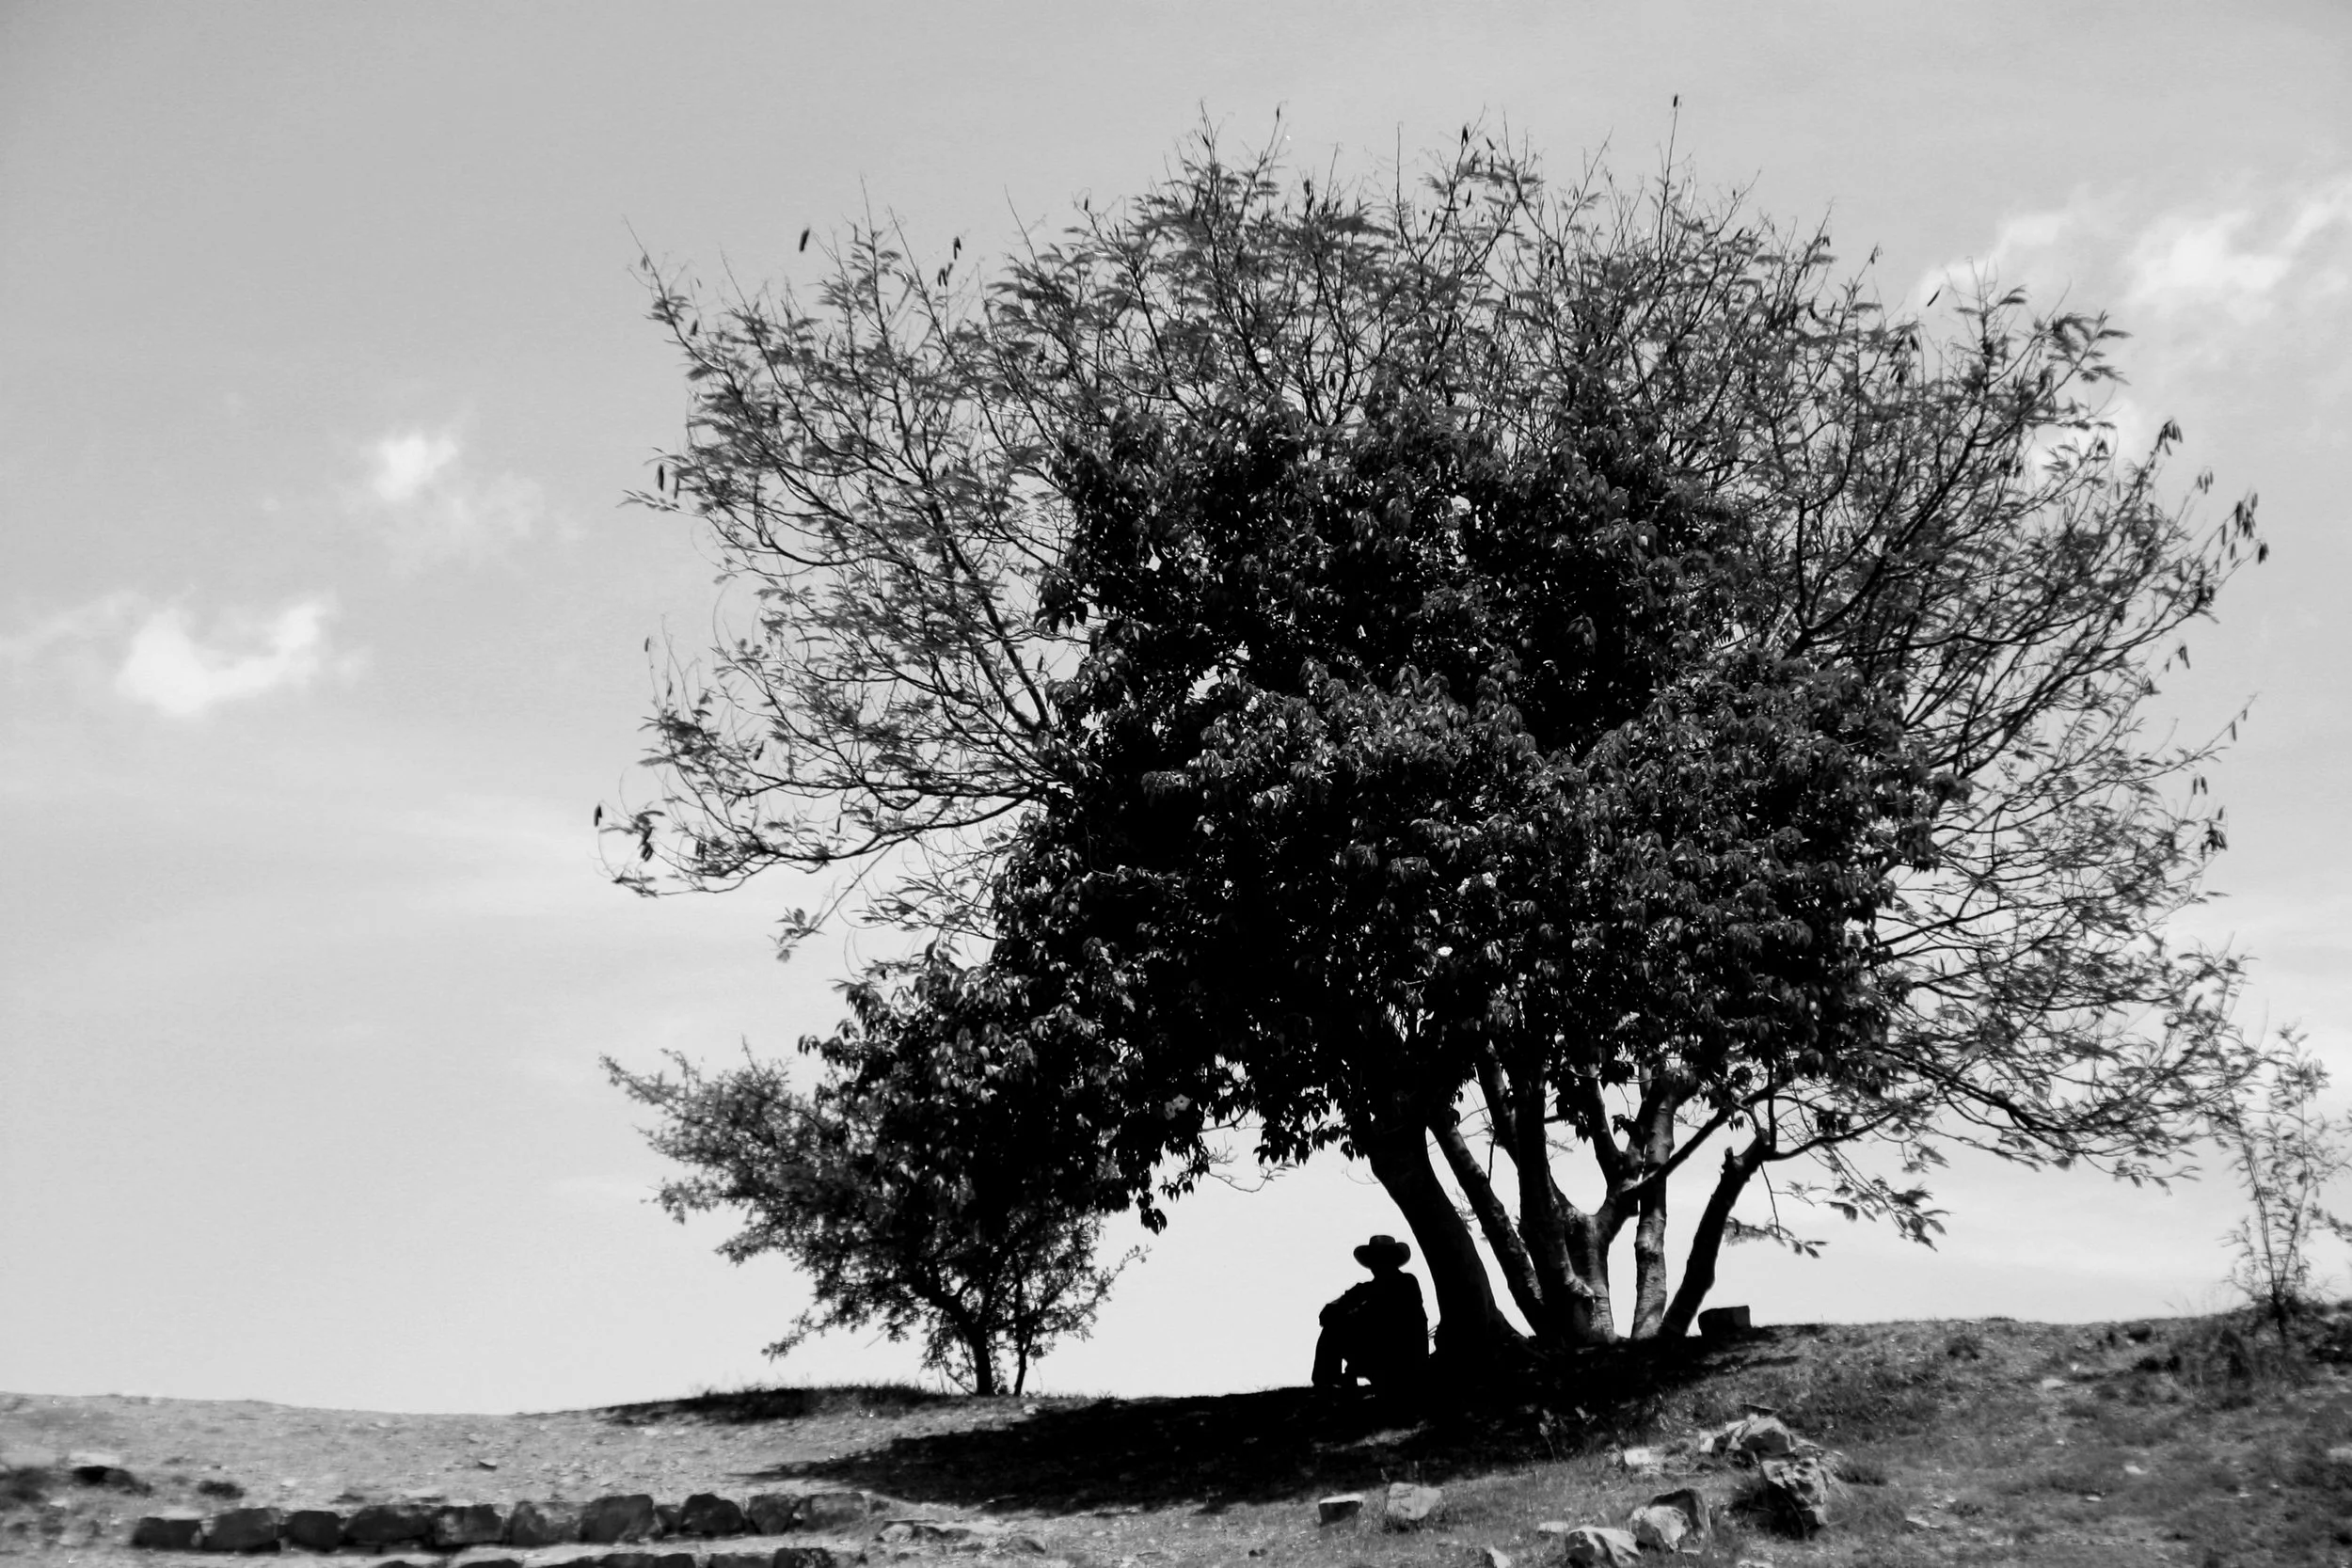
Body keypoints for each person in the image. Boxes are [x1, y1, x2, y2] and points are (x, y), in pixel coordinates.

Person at [1311, 1233, 1429, 1393]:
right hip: (1374, 1353)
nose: (1377, 1264)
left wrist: (1353, 1314)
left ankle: (1335, 1383)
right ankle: (1329, 1384)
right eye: (1375, 1259)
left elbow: (1387, 1316)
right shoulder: (1363, 1289)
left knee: (1341, 1327)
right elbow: (1327, 1313)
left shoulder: (1406, 1282)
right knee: (1332, 1329)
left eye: (1382, 1258)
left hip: (1402, 1357)